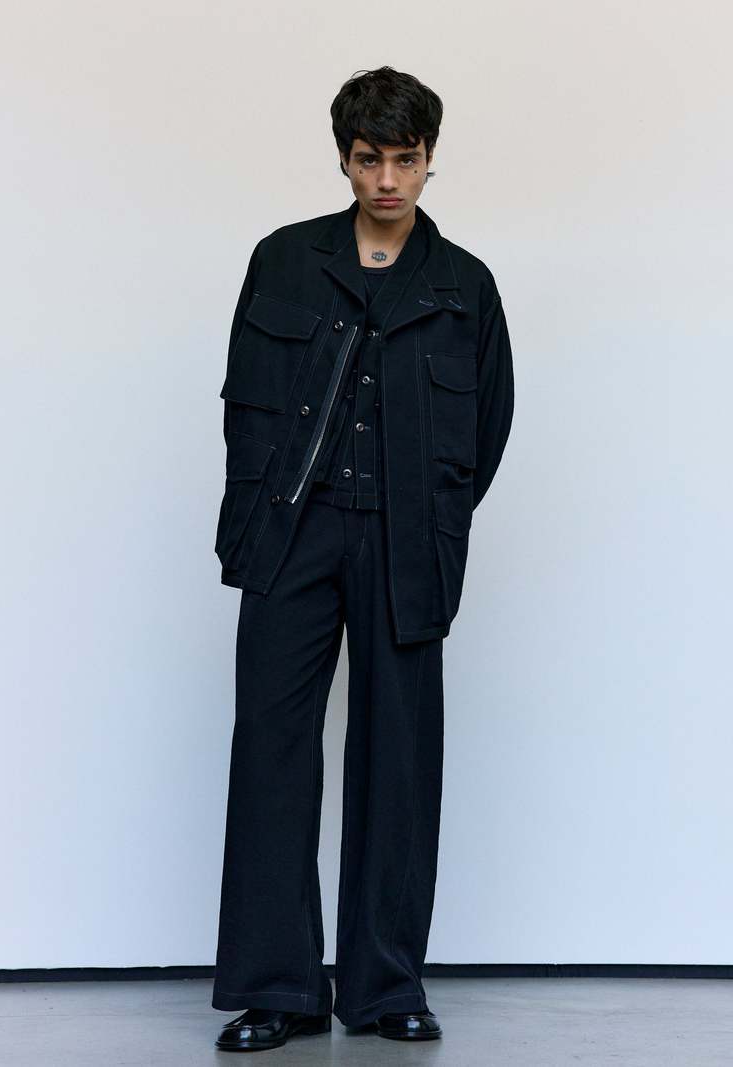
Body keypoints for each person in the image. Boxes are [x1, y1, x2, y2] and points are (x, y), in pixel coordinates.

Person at [211, 65, 514, 1052]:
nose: (387, 179)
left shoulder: (463, 285)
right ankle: (277, 987)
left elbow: (488, 424)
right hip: (292, 533)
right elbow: (243, 404)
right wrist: (264, 511)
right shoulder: (283, 260)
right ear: (344, 158)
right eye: (369, 158)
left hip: (404, 542)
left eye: (405, 159)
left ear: (430, 160)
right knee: (271, 750)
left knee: (398, 761)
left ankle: (385, 987)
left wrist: (430, 517)